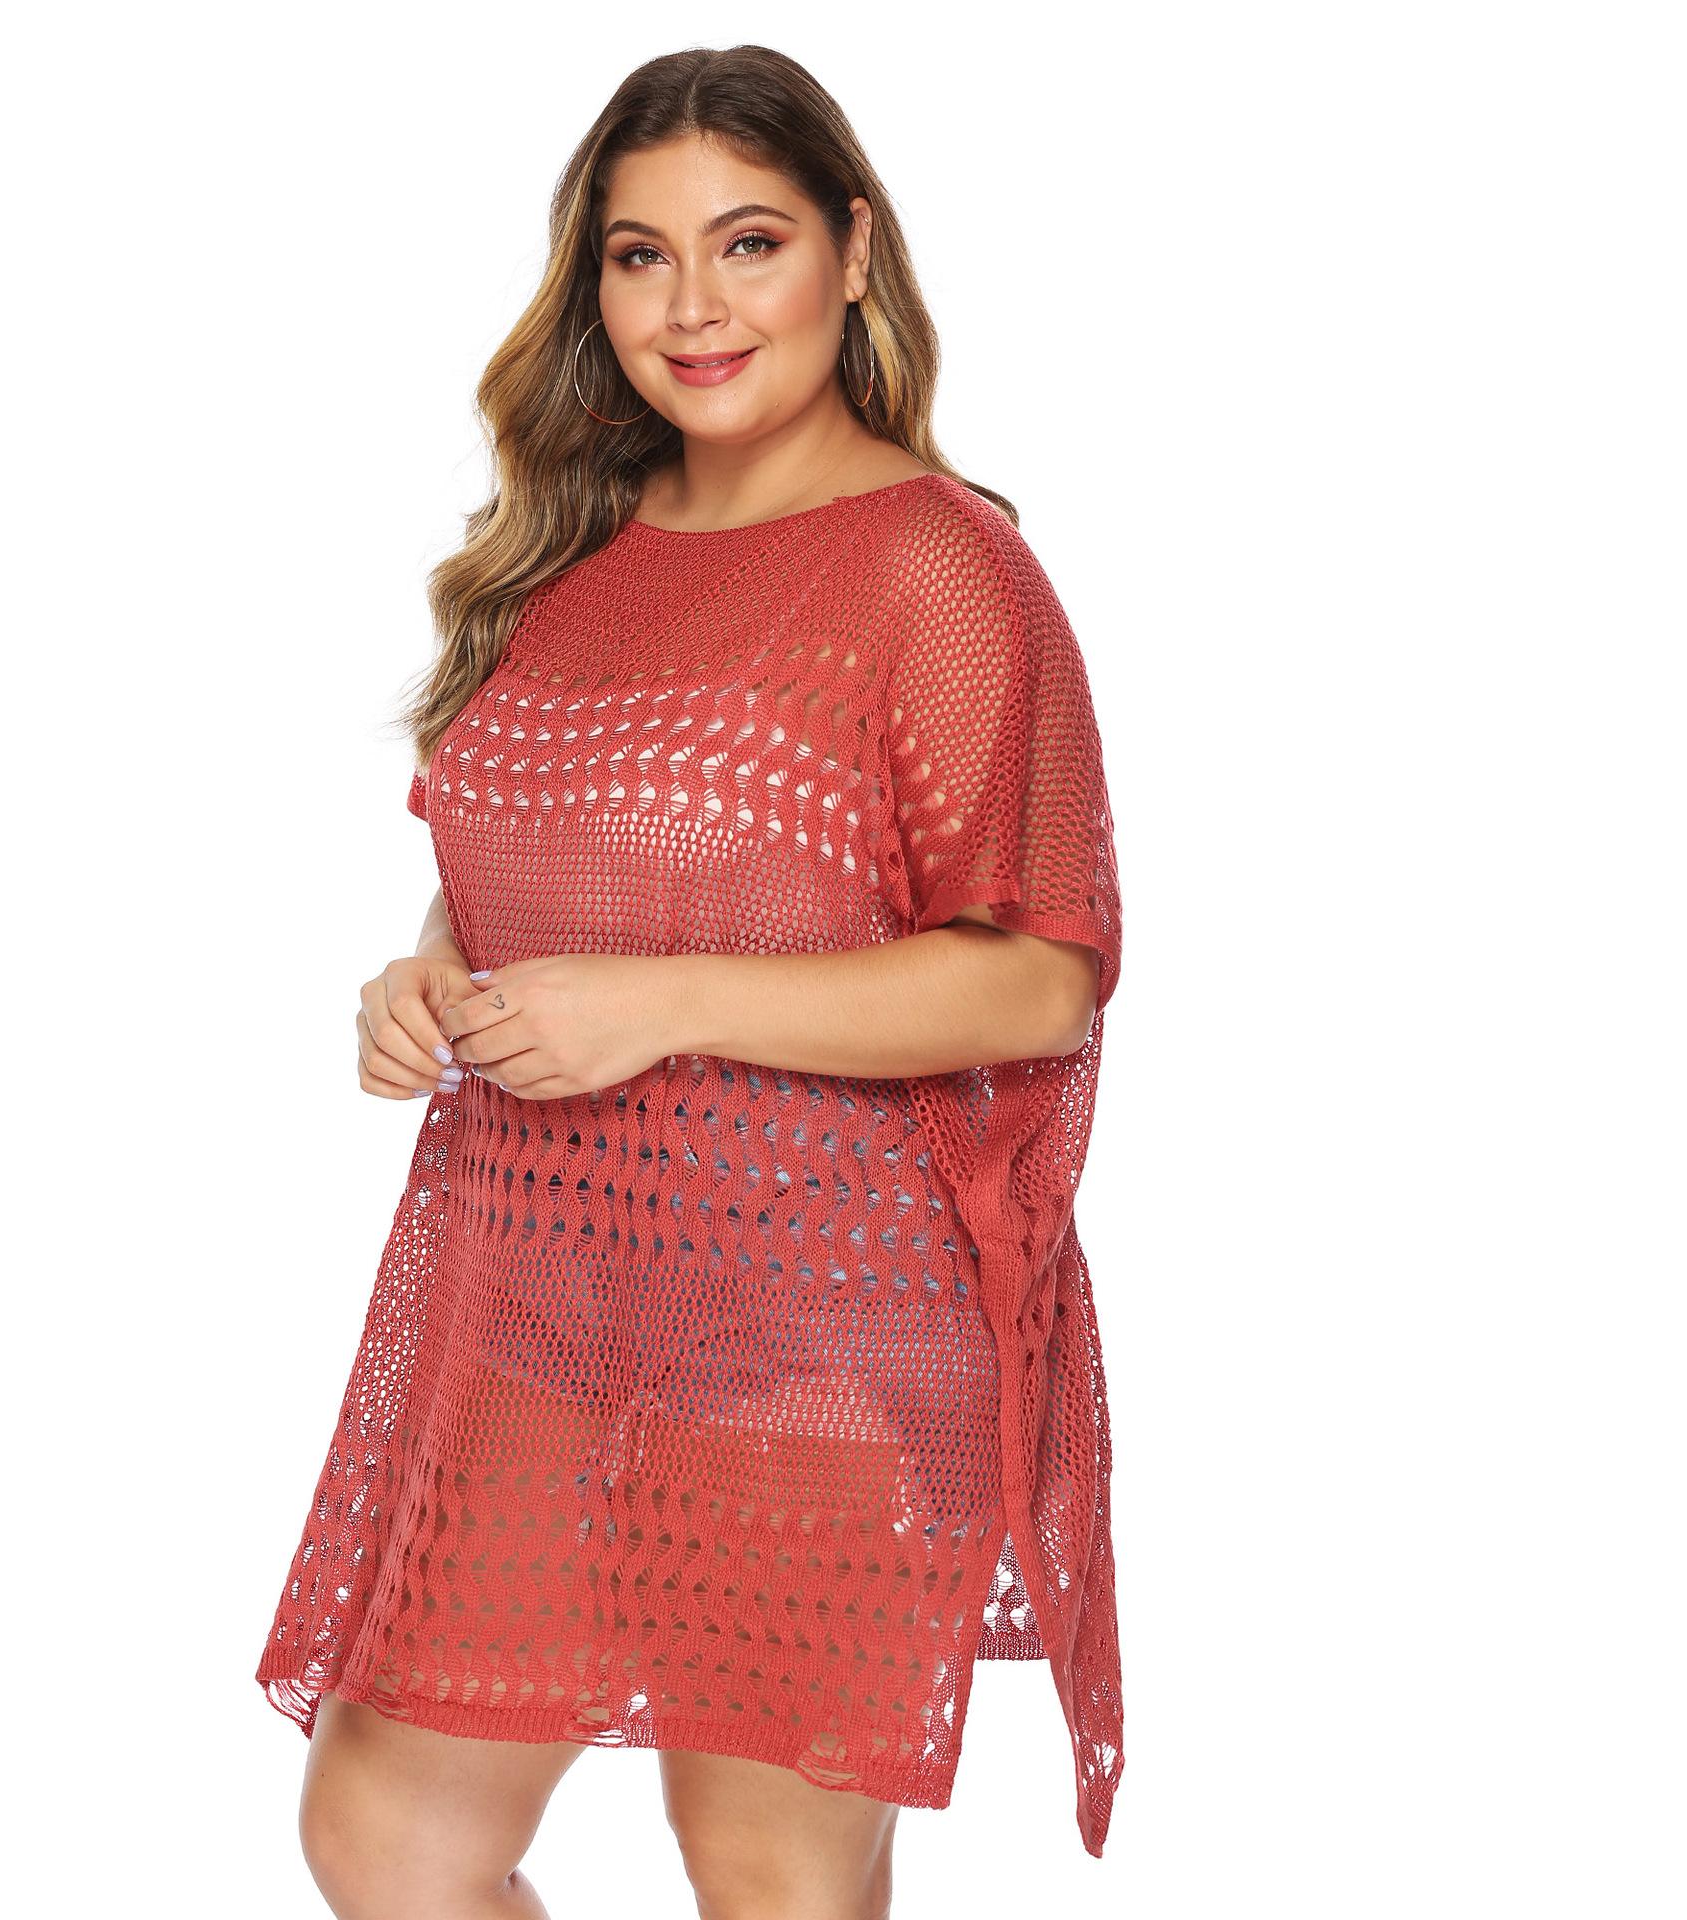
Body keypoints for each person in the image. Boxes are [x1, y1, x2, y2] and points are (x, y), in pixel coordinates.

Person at [255, 44, 1126, 1920]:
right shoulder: (575, 545)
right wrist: (429, 978)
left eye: (749, 243)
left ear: (853, 251)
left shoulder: (941, 570)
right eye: (640, 257)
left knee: (762, 1877)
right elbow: (534, 867)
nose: (693, 308)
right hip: (543, 1304)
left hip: (820, 1326)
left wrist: (661, 1004)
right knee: (391, 1833)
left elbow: (1039, 980)